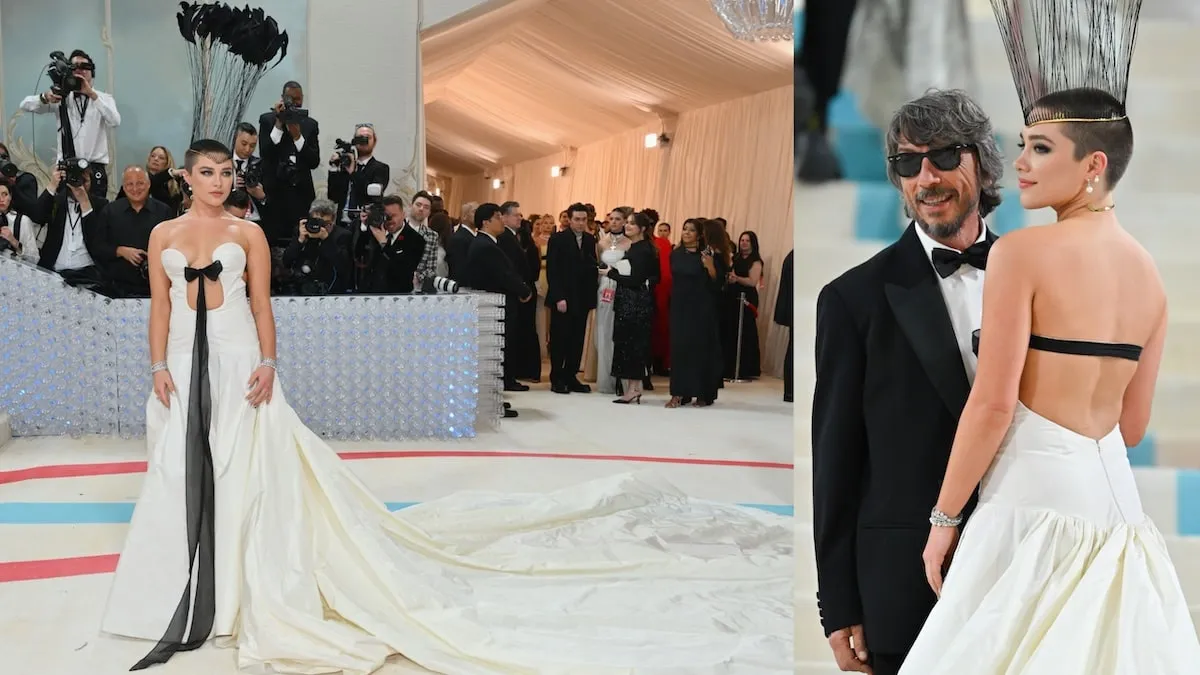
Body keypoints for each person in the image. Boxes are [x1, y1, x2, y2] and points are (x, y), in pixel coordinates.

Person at [99, 140, 792, 673]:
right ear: (185, 178)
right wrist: (157, 365)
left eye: (226, 171)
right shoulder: (161, 236)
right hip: (183, 365)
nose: (219, 181)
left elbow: (261, 308)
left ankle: (241, 589)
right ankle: (176, 581)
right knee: (180, 469)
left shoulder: (248, 235)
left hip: (239, 358)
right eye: (207, 172)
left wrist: (270, 363)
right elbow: (159, 309)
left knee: (243, 471)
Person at [901, 2, 1200, 672]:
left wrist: (943, 521)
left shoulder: (1023, 255)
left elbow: (993, 405)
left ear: (1093, 164)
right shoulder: (1150, 277)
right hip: (1118, 513)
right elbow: (1130, 427)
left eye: (1040, 148)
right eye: (1022, 145)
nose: (1022, 163)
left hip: (1031, 507)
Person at [810, 88, 1003, 675]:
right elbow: (835, 464)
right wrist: (838, 605)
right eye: (906, 163)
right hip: (901, 586)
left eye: (944, 156)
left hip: (1019, 571)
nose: (927, 178)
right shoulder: (853, 299)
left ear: (982, 163)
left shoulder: (1037, 280)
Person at [544, 203, 599, 394]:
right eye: (577, 219)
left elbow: (592, 268)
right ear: (569, 219)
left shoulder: (590, 240)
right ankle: (557, 377)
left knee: (577, 338)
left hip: (582, 298)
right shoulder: (558, 239)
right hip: (563, 297)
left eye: (584, 219)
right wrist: (559, 297)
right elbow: (553, 270)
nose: (581, 223)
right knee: (560, 338)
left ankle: (571, 375)